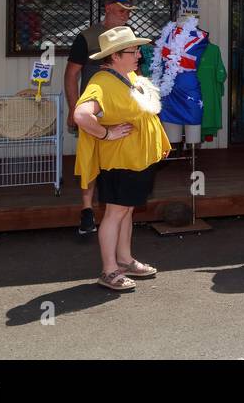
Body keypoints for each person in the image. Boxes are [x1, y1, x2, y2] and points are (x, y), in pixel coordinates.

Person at [72, 26, 171, 292]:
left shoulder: (129, 77)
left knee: (126, 210)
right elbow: (81, 115)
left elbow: (145, 116)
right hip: (119, 161)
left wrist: (158, 142)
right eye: (133, 50)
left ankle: (124, 260)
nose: (139, 54)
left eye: (138, 49)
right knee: (115, 213)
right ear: (115, 55)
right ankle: (109, 270)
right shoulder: (101, 83)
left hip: (137, 160)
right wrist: (106, 134)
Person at [65, 0, 134, 236]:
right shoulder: (87, 36)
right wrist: (74, 108)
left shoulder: (130, 38)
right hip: (92, 109)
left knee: (115, 161)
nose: (125, 15)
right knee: (89, 158)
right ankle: (87, 209)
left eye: (128, 11)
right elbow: (71, 74)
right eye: (120, 10)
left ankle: (114, 210)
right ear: (107, 8)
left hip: (121, 109)